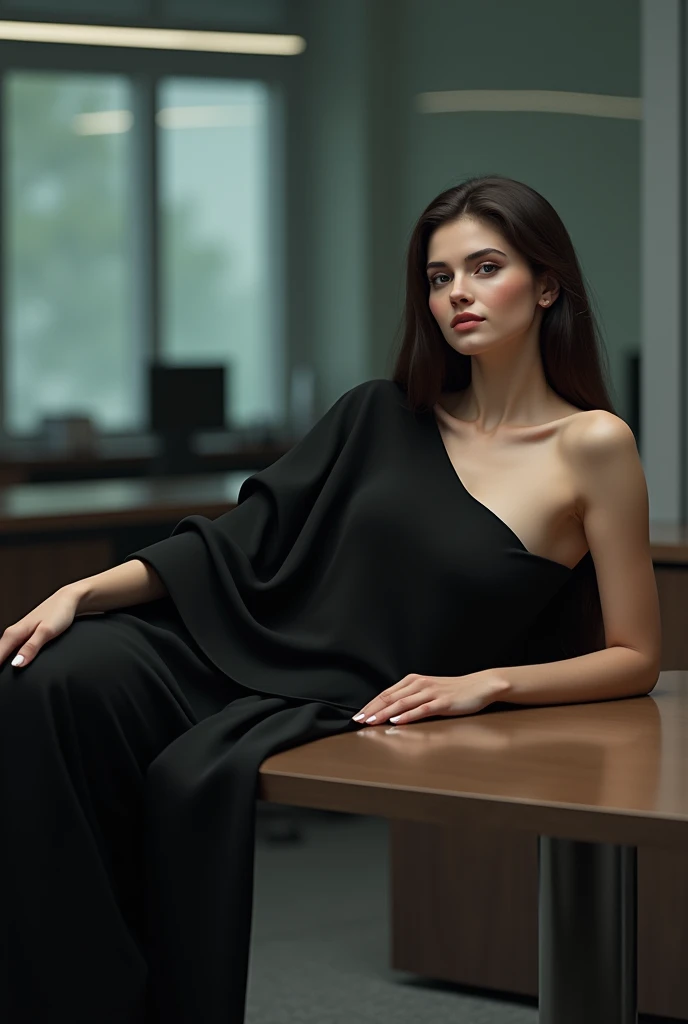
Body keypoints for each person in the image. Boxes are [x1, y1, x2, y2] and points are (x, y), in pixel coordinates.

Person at [0, 174, 661, 1023]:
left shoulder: (594, 445)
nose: (457, 293)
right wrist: (83, 593)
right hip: (218, 643)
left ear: (546, 284)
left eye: (484, 267)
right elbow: (239, 541)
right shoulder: (378, 414)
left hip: (325, 691)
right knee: (37, 683)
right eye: (438, 276)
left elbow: (635, 656)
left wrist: (487, 682)